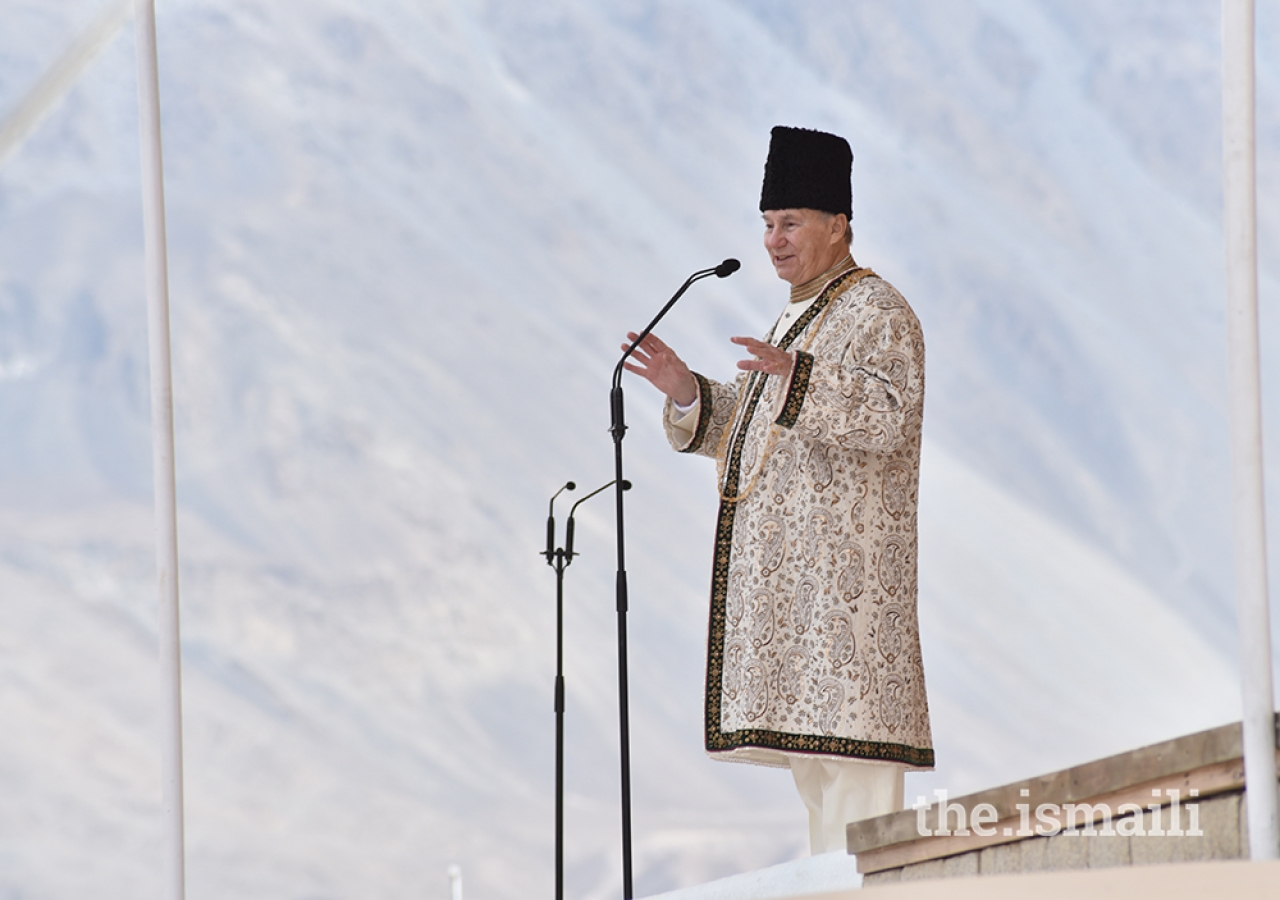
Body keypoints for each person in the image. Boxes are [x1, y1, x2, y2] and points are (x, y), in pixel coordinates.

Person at [623, 126, 933, 855]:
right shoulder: (802, 313)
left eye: (790, 222)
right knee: (824, 809)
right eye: (767, 224)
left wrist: (798, 378)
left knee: (860, 817)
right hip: (802, 623)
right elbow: (763, 432)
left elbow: (888, 416)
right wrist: (688, 391)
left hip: (851, 622)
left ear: (838, 224)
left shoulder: (879, 312)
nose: (773, 241)